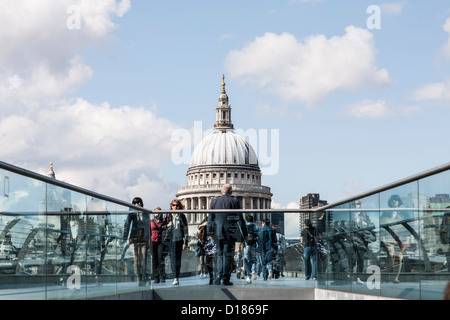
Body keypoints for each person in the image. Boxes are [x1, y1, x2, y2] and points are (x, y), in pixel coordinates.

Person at [208, 184, 247, 286]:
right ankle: (225, 278)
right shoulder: (234, 201)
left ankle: (217, 276)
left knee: (219, 254)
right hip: (230, 231)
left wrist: (209, 232)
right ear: (231, 193)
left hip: (217, 231)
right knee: (227, 255)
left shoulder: (214, 201)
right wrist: (245, 233)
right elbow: (240, 219)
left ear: (221, 192)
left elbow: (210, 218)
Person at [123, 197, 150, 286]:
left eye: (139, 203)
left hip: (144, 238)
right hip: (135, 238)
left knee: (144, 258)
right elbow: (127, 224)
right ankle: (139, 277)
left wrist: (149, 237)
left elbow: (148, 225)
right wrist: (125, 237)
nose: (138, 204)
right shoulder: (131, 213)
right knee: (137, 259)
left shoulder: (146, 212)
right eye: (136, 203)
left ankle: (144, 276)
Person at [167, 199, 189, 285]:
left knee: (178, 260)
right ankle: (174, 277)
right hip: (171, 240)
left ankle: (177, 276)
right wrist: (167, 225)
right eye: (173, 205)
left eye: (177, 205)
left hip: (179, 240)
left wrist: (185, 242)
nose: (175, 207)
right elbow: (163, 227)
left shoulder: (182, 216)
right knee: (172, 259)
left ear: (179, 207)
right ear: (171, 206)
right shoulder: (168, 216)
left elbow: (186, 230)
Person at [150, 207, 168, 283]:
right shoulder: (151, 221)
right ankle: (156, 276)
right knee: (154, 259)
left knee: (160, 258)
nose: (157, 214)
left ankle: (162, 276)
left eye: (159, 212)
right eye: (156, 212)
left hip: (161, 241)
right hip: (153, 241)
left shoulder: (163, 222)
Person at [243, 215, 259, 283]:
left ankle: (248, 276)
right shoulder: (256, 227)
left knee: (247, 260)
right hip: (254, 245)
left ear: (246, 220)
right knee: (253, 259)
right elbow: (258, 236)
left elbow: (242, 236)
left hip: (246, 245)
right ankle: (253, 270)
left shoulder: (244, 227)